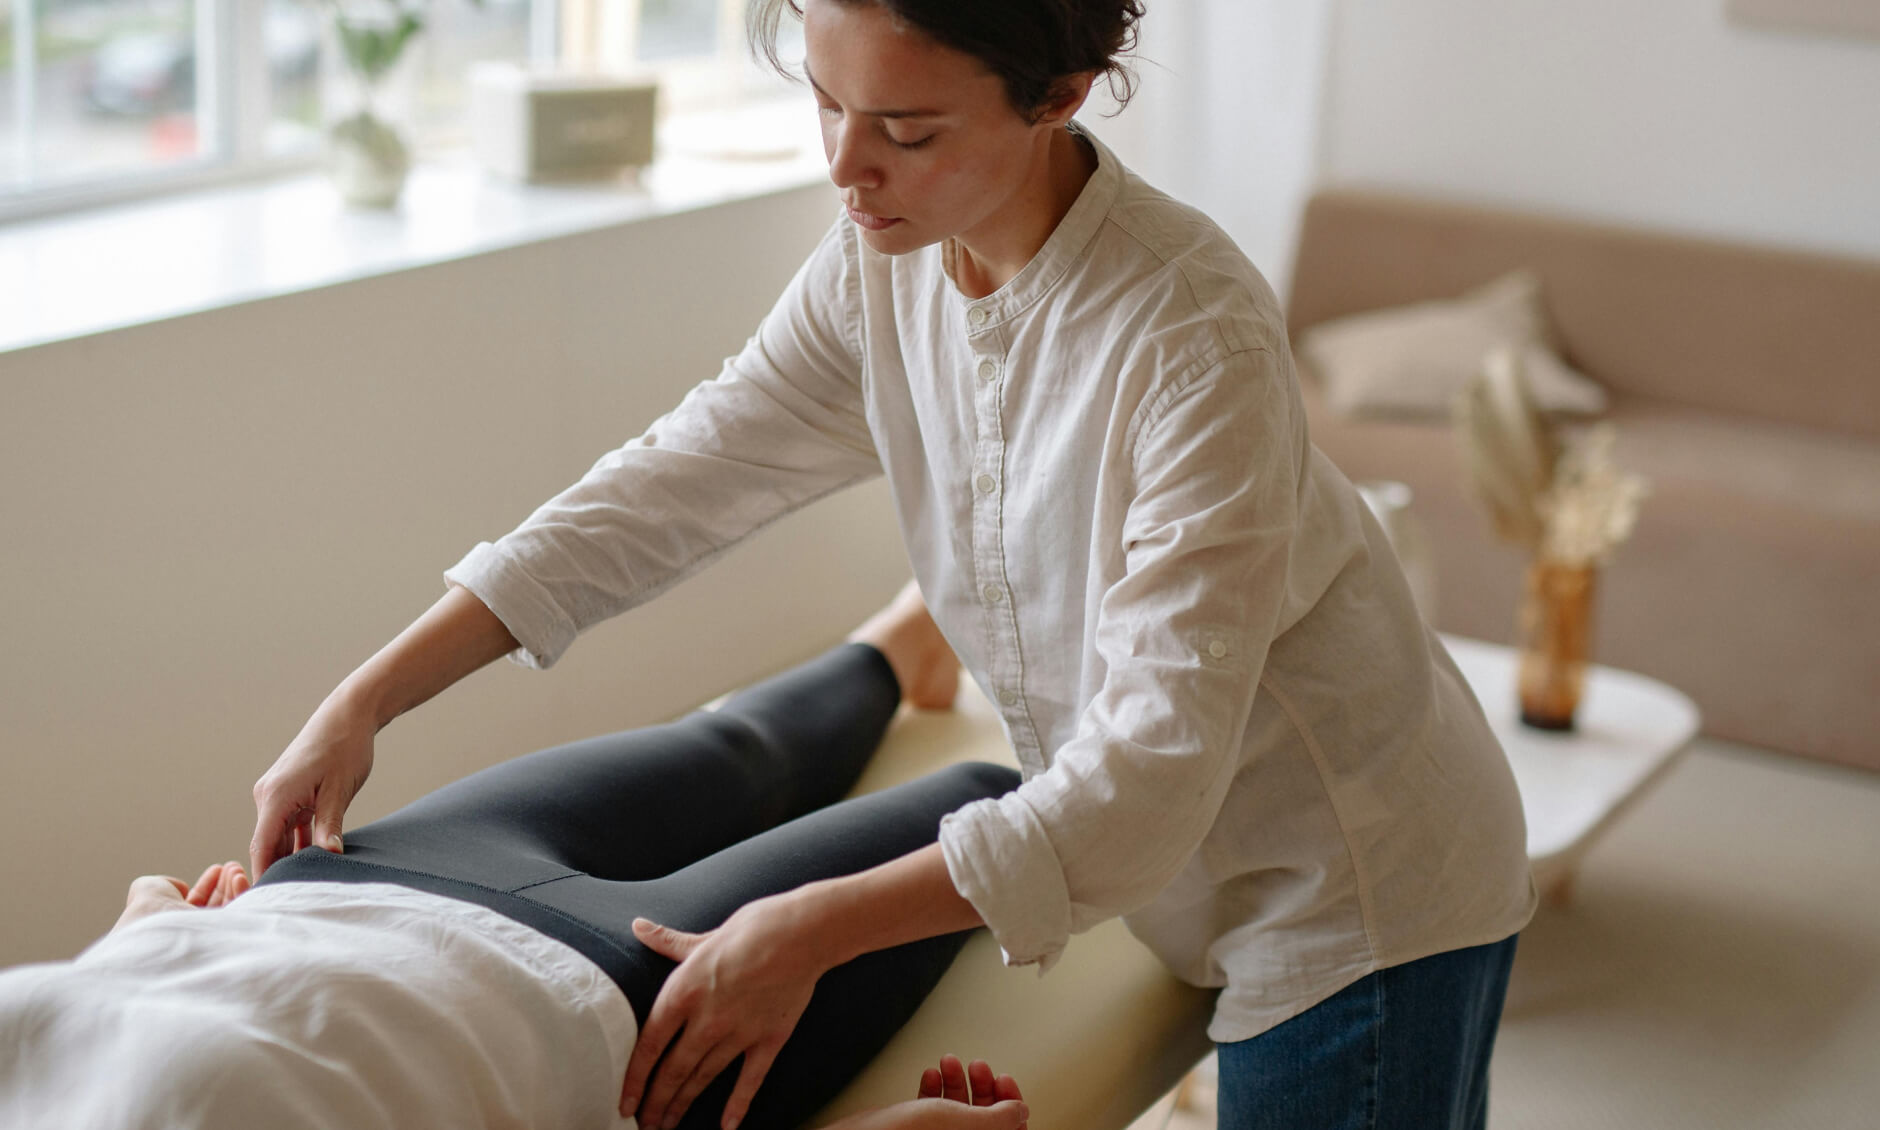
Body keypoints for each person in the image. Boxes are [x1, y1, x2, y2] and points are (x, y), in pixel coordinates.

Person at [251, 2, 1539, 1128]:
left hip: (1349, 882)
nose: (846, 168)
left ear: (1057, 95)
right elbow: (667, 483)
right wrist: (366, 696)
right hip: (1170, 864)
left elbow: (1145, 778)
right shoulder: (883, 268)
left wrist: (801, 927)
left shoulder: (1189, 338)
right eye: (823, 102)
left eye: (907, 131)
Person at [0, 616, 1031, 1130]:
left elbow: (96, 990)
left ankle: (907, 638)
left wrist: (162, 918)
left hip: (363, 880)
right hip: (615, 1017)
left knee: (738, 749)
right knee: (990, 799)